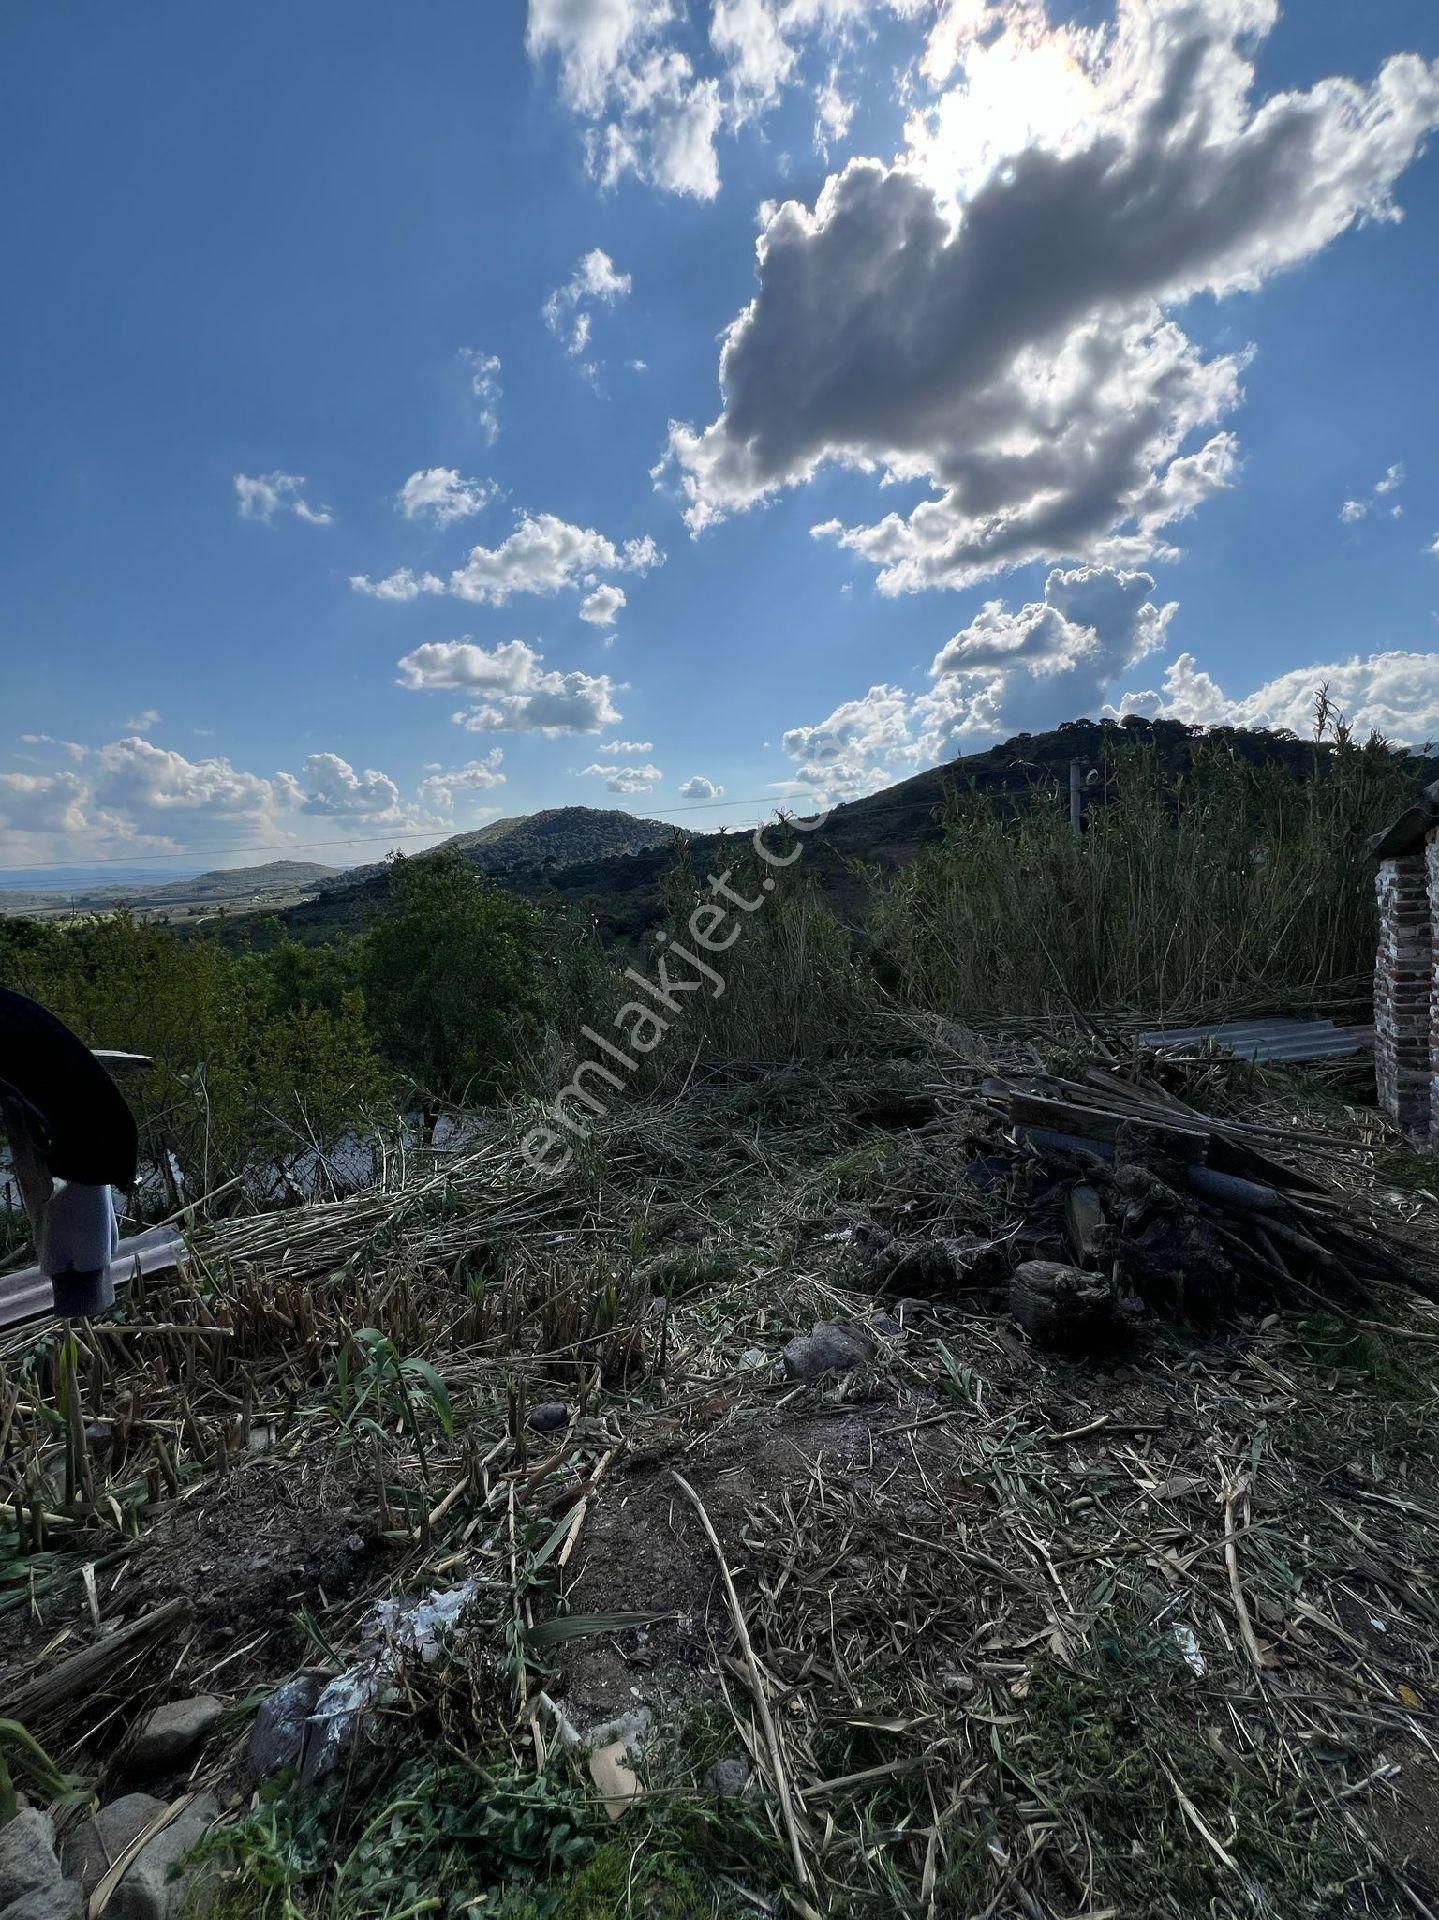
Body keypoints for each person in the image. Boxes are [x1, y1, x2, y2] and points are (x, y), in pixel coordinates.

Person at [0, 987, 139, 1316]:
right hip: (83, 1144)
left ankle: (84, 1291)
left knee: (75, 1207)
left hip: (82, 1147)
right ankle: (83, 1290)